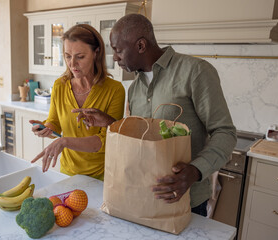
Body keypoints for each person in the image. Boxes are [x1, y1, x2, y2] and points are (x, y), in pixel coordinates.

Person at [72, 14, 236, 216]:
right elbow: (141, 139)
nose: (114, 57)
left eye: (118, 50)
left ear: (141, 46)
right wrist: (110, 123)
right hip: (143, 198)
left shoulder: (196, 72)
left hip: (188, 202)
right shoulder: (134, 89)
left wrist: (195, 171)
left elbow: (225, 132)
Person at [30, 24, 125, 181]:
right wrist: (46, 129)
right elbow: (54, 122)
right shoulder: (60, 85)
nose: (72, 64)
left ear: (96, 53)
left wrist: (64, 141)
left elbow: (105, 141)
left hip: (102, 175)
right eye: (67, 56)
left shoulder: (115, 90)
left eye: (80, 57)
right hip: (68, 172)